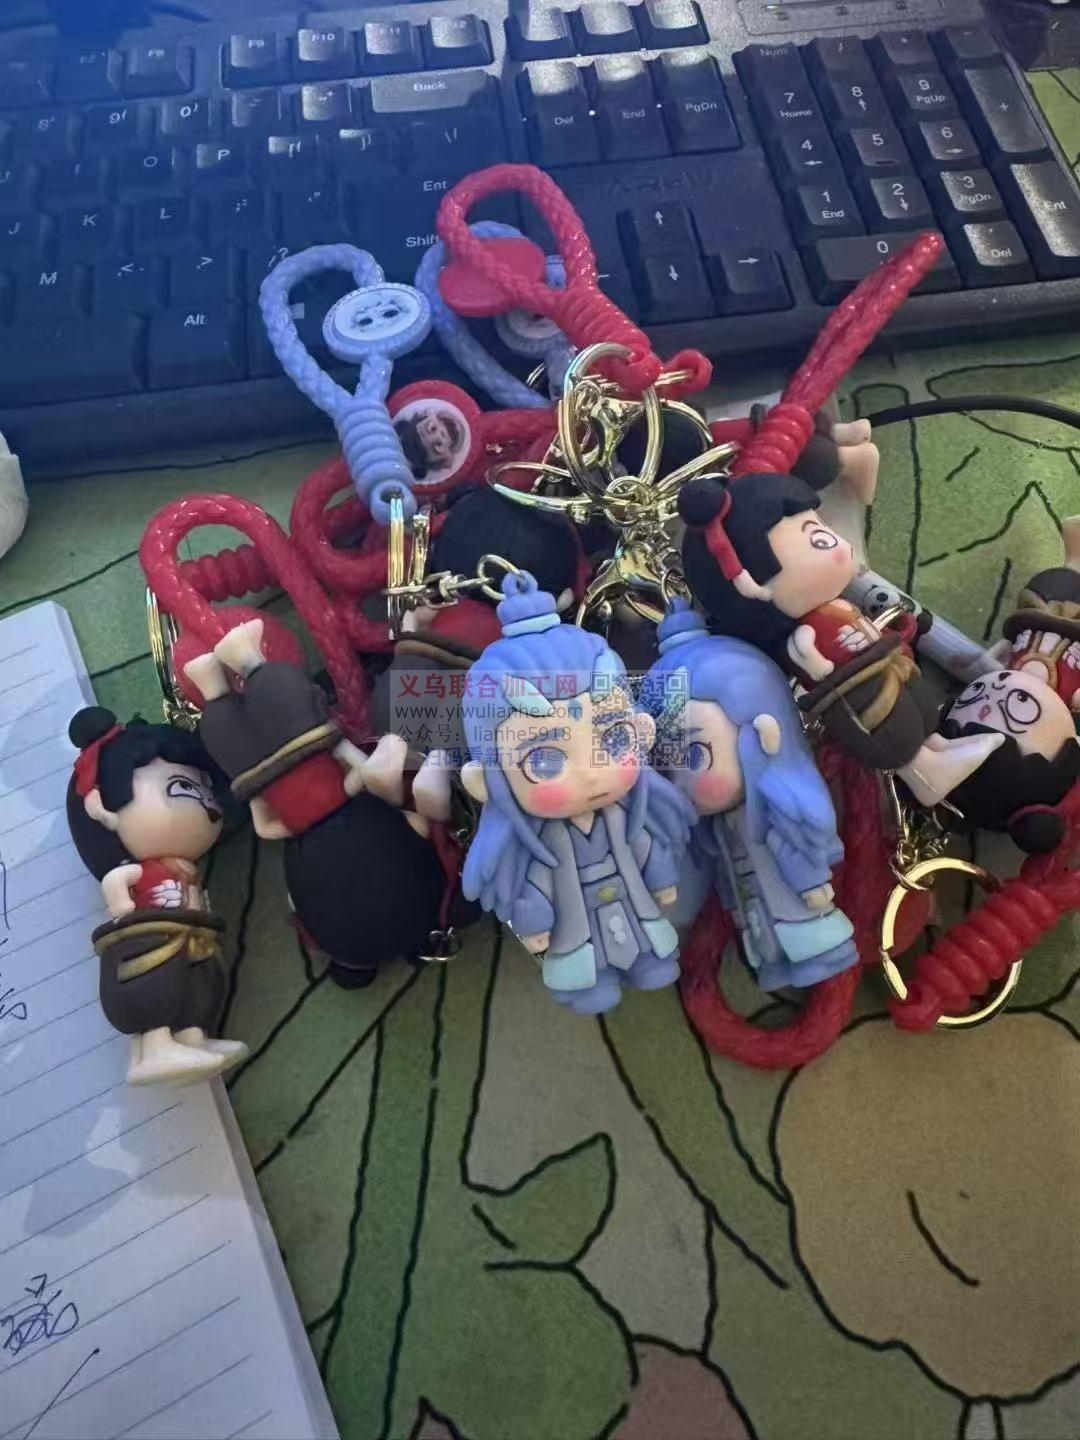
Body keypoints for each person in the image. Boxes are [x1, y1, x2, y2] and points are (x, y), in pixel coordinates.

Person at [459, 572, 696, 1014]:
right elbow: (535, 886)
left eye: (615, 739)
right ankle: (592, 983)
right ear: (488, 781)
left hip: (632, 905)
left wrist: (662, 877)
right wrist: (533, 920)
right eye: (544, 761)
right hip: (575, 924)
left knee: (648, 943)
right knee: (587, 966)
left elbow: (644, 847)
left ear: (642, 731)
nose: (590, 774)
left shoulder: (625, 815)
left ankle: (649, 961)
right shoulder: (543, 841)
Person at [643, 602, 858, 990]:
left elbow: (798, 849)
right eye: (667, 767)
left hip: (794, 905)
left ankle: (820, 954)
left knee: (801, 928)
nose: (682, 783)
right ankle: (773, 965)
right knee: (763, 936)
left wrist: (810, 882)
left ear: (761, 734)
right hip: (753, 909)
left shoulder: (780, 808)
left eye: (695, 755)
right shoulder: (718, 826)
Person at [67, 707, 246, 1085]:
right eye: (182, 788)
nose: (206, 806)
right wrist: (125, 910)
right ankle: (155, 1044)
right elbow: (116, 889)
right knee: (157, 982)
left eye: (204, 788)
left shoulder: (185, 867)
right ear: (103, 811)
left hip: (190, 936)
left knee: (201, 982)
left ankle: (193, 1036)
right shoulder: (134, 870)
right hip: (150, 939)